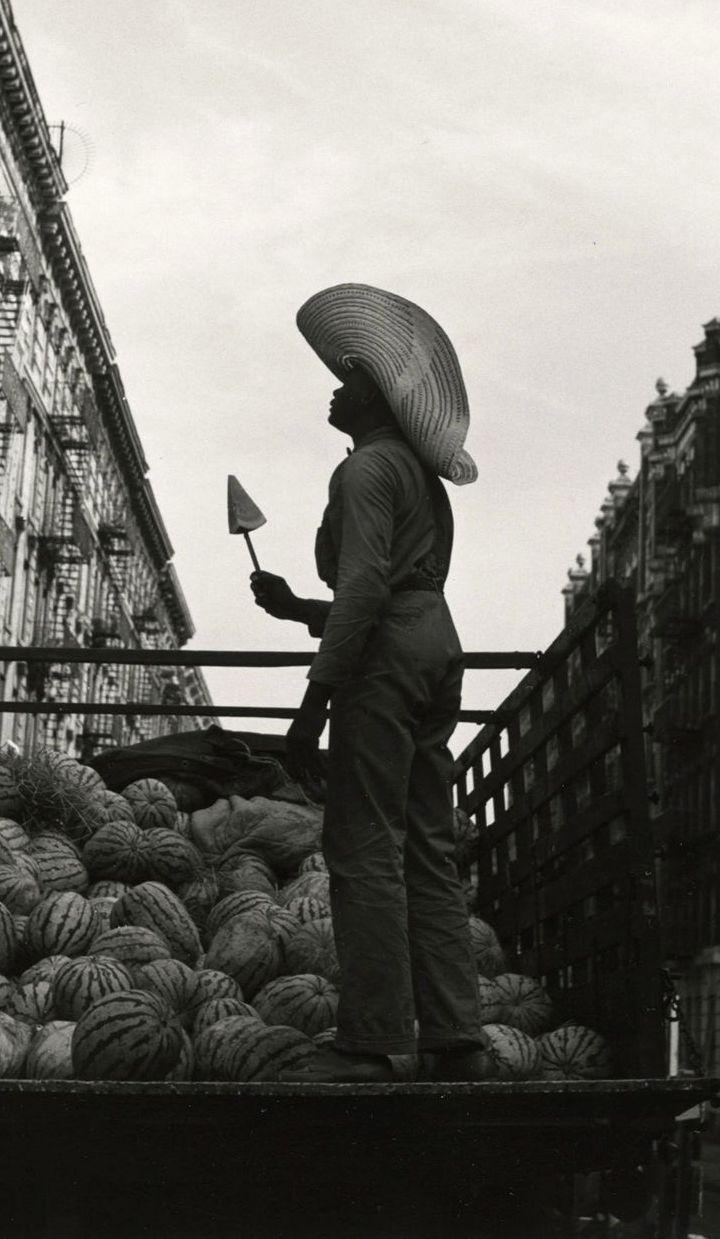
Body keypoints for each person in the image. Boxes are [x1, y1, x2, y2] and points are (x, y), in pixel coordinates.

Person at [249, 283, 486, 1083]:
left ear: (377, 397)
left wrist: (311, 707)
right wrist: (297, 610)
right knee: (428, 849)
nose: (336, 388)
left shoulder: (363, 473)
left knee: (363, 849)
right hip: (434, 646)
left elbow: (364, 595)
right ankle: (456, 1036)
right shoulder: (418, 480)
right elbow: (397, 590)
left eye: (350, 379)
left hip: (385, 661)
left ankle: (373, 1041)